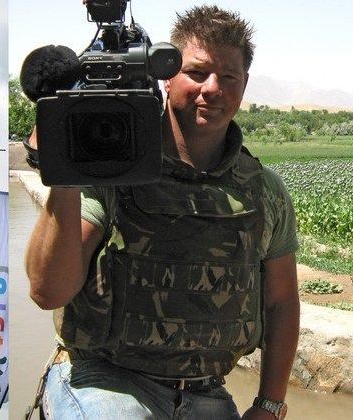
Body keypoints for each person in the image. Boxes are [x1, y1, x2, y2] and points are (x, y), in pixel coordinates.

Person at [24, 5, 299, 419]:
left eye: (229, 77)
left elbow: (281, 303)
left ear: (244, 87)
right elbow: (49, 292)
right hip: (104, 379)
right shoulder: (116, 169)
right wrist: (64, 178)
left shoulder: (264, 190)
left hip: (206, 391)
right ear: (168, 76)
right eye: (198, 73)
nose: (212, 89)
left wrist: (269, 404)